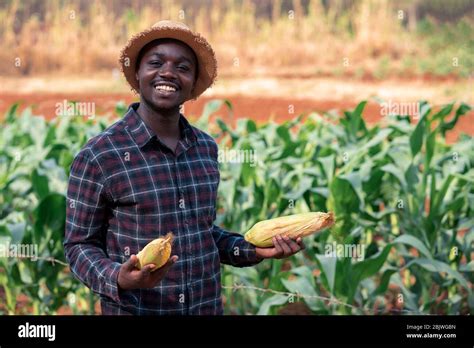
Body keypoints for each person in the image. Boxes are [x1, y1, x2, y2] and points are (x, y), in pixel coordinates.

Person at [64, 20, 305, 315]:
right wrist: (118, 277)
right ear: (137, 74)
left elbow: (201, 233)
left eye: (183, 67)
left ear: (192, 84)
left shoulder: (205, 148)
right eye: (155, 63)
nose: (168, 72)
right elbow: (78, 245)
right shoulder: (100, 155)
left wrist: (251, 250)